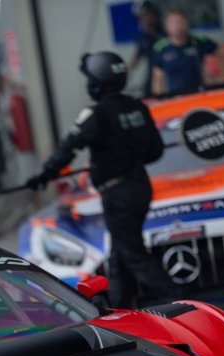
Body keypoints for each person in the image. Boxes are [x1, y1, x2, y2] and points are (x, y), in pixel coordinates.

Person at [24, 52, 180, 308]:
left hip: (118, 194)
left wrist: (43, 174)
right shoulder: (138, 107)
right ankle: (121, 308)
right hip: (141, 187)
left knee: (132, 253)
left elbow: (68, 148)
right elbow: (156, 151)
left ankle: (181, 301)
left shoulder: (95, 114)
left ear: (96, 83)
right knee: (119, 252)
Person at [151, 10, 224, 96]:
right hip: (175, 97)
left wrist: (223, 77)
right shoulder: (161, 48)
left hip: (201, 93)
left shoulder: (197, 41)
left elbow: (222, 51)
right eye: (174, 23)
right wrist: (160, 98)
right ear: (166, 27)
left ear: (186, 24)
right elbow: (158, 79)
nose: (178, 26)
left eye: (180, 22)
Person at [128, 1, 165, 98]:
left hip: (171, 75)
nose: (145, 20)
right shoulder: (143, 37)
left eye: (147, 15)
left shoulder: (166, 33)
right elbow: (136, 59)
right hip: (152, 78)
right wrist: (125, 76)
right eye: (141, 17)